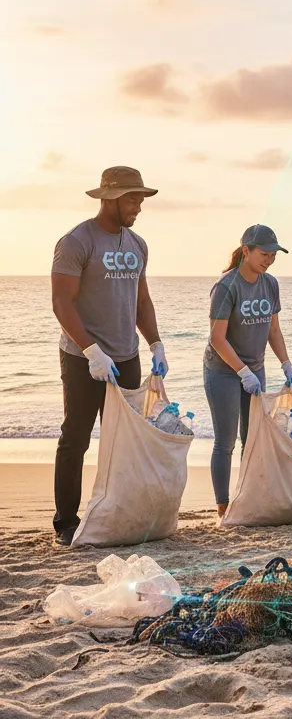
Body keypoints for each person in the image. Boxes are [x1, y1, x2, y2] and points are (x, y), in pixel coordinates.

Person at [50, 166, 167, 546]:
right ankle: (66, 522)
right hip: (84, 357)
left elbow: (142, 301)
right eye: (133, 198)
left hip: (126, 357)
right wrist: (90, 351)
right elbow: (61, 303)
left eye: (140, 199)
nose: (139, 206)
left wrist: (155, 343)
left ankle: (119, 513)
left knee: (125, 440)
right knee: (76, 439)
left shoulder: (138, 245)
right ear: (110, 198)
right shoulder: (76, 241)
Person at [203, 224, 292, 517]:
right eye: (264, 254)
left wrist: (286, 363)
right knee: (226, 440)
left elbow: (273, 330)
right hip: (223, 370)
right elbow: (217, 338)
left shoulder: (270, 284)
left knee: (253, 438)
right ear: (246, 251)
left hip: (255, 369)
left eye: (273, 255)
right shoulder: (226, 287)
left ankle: (245, 499)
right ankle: (223, 509)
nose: (269, 260)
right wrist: (242, 371)